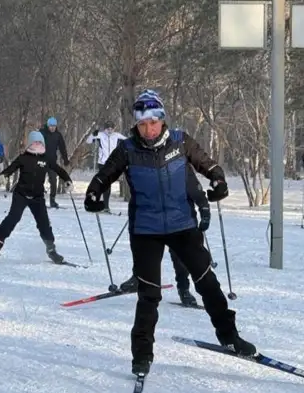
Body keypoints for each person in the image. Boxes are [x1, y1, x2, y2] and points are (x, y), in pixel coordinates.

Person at [83, 89, 255, 376]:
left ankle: (230, 337)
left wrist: (219, 180)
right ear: (136, 125)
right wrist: (93, 194)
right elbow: (104, 176)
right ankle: (141, 356)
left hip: (182, 226)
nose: (149, 129)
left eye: (153, 122)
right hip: (146, 230)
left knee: (208, 284)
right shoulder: (128, 149)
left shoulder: (180, 141)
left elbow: (207, 163)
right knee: (149, 295)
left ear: (162, 120)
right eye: (142, 124)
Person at [118, 164, 210, 307]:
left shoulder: (179, 164)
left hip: (178, 219)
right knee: (143, 250)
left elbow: (195, 188)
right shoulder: (149, 161)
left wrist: (204, 210)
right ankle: (138, 278)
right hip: (152, 217)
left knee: (180, 256)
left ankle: (183, 288)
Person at [0, 131, 72, 263]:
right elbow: (11, 168)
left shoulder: (46, 159)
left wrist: (67, 180)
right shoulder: (23, 157)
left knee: (44, 223)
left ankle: (51, 249)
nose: (37, 145)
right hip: (21, 194)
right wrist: (4, 175)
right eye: (34, 142)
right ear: (29, 144)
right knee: (13, 218)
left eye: (39, 142)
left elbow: (59, 170)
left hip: (37, 197)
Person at [85, 122, 125, 212]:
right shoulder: (100, 135)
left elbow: (128, 140)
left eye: (112, 129)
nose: (110, 131)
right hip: (102, 163)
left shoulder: (117, 136)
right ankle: (99, 204)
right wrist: (92, 135)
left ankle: (105, 206)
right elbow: (88, 141)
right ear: (105, 129)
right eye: (108, 129)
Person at [39, 117, 70, 208]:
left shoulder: (58, 135)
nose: (52, 128)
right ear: (47, 126)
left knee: (53, 181)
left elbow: (62, 148)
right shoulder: (42, 133)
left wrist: (65, 159)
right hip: (41, 161)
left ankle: (52, 201)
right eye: (51, 126)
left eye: (54, 126)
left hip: (52, 162)